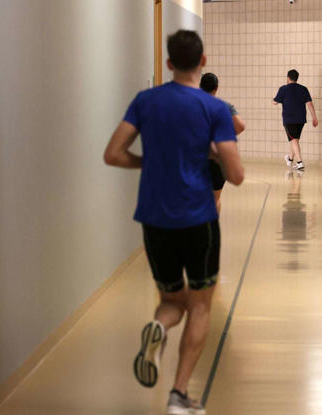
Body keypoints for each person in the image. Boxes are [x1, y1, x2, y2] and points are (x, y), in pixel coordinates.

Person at [103, 29, 244, 415]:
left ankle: (160, 329)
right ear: (202, 62)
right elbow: (236, 175)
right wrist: (213, 154)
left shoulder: (146, 101)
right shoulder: (213, 109)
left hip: (154, 218)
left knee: (170, 300)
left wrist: (147, 162)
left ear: (168, 63)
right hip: (198, 219)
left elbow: (113, 154)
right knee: (200, 306)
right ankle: (179, 395)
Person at [200, 72, 245, 212]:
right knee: (215, 198)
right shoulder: (224, 106)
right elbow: (240, 126)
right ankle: (212, 230)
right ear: (216, 88)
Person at [273, 69, 318, 171]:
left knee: (294, 140)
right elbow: (309, 104)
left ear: (288, 78)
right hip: (301, 119)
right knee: (295, 140)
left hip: (289, 119)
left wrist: (274, 100)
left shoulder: (283, 89)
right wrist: (314, 117)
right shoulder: (303, 89)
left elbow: (275, 102)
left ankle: (300, 163)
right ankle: (290, 158)